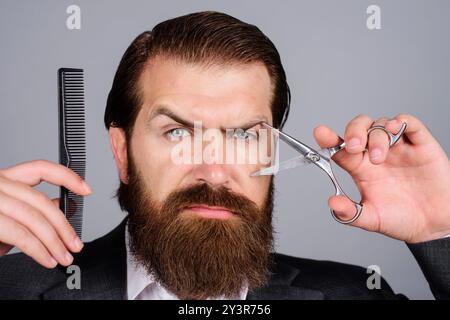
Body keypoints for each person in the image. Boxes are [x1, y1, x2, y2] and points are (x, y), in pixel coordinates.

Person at [0, 11, 449, 300]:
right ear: (122, 153)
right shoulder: (12, 288)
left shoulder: (356, 295)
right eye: (177, 132)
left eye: (242, 135)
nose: (214, 170)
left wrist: (439, 230)